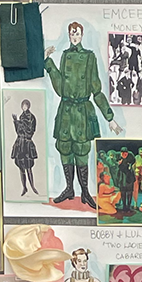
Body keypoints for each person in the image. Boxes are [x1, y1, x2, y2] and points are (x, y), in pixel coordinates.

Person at [45, 22, 123, 210]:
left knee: (81, 152)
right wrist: (48, 62)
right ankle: (69, 189)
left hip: (82, 113)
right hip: (65, 111)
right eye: (72, 33)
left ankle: (86, 192)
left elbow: (96, 90)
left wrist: (110, 118)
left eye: (77, 33)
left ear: (82, 35)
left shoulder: (89, 57)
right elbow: (60, 86)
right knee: (65, 150)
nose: (74, 35)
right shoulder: (64, 56)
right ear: (69, 34)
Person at [11, 98, 39, 195]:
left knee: (28, 167)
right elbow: (18, 131)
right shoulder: (21, 117)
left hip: (27, 144)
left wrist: (20, 123)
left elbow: (31, 130)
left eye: (26, 106)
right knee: (21, 167)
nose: (24, 107)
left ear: (28, 106)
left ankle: (33, 187)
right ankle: (24, 187)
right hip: (20, 143)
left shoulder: (31, 117)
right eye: (23, 106)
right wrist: (15, 121)